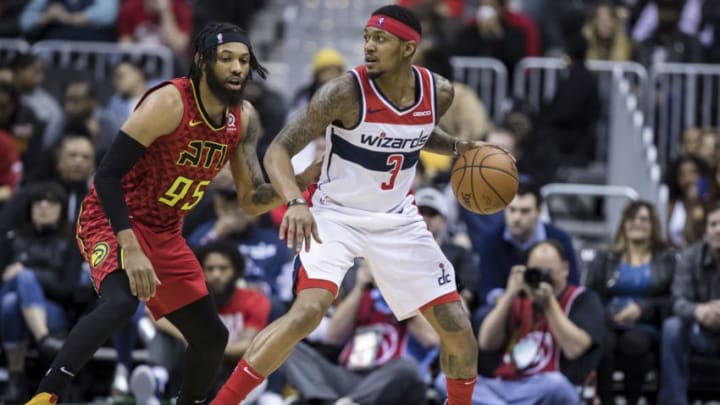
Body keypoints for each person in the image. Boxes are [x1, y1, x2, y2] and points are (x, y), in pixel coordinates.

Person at [26, 22, 320, 405]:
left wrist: (298, 181)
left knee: (212, 336)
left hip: (166, 230)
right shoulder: (170, 102)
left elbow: (250, 201)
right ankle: (46, 396)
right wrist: (129, 248)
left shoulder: (243, 118)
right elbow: (108, 175)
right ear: (202, 61)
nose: (237, 68)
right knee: (121, 301)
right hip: (114, 218)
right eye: (227, 58)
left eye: (244, 61)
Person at [213, 5, 485, 405]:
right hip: (334, 214)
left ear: (409, 49)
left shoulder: (438, 92)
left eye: (381, 40)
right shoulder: (343, 92)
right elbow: (278, 152)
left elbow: (419, 130)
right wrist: (294, 202)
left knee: (457, 325)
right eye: (367, 39)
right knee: (307, 313)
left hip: (396, 218)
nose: (369, 47)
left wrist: (460, 147)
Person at [457, 241, 603, 405]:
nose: (543, 278)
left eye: (549, 273)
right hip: (509, 385)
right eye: (536, 272)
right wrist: (510, 294)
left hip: (550, 385)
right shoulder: (518, 298)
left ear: (565, 269)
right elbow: (486, 342)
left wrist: (549, 304)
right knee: (449, 381)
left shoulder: (583, 299)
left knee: (555, 384)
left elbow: (575, 349)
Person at [281, 258, 436, 404]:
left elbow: (431, 339)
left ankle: (348, 401)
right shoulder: (363, 295)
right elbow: (333, 336)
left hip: (389, 380)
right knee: (286, 346)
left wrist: (396, 290)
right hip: (350, 376)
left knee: (407, 366)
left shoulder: (413, 295)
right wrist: (360, 287)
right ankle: (328, 399)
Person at [585, 200, 675, 405]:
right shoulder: (606, 256)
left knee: (634, 344)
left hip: (646, 324)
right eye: (632, 219)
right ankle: (607, 401)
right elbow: (591, 294)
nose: (637, 223)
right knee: (603, 345)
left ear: (653, 225)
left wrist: (642, 309)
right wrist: (608, 315)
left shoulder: (666, 258)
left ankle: (632, 400)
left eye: (643, 219)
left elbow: (671, 298)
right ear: (623, 223)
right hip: (609, 320)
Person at [659, 201, 720, 405]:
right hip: (699, 329)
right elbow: (677, 300)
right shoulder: (690, 256)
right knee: (672, 327)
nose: (718, 230)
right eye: (713, 224)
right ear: (705, 231)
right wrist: (699, 310)